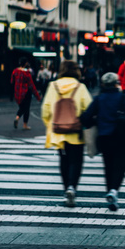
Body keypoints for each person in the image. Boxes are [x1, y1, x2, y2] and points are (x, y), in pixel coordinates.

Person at [81, 72, 125, 211]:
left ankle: (110, 193)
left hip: (104, 138)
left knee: (108, 166)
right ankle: (114, 191)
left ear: (103, 84)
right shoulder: (122, 98)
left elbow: (86, 117)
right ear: (116, 83)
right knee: (121, 166)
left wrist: (95, 121)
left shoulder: (99, 99)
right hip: (121, 137)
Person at [41, 61, 93, 208]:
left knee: (64, 161)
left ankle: (66, 189)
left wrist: (50, 126)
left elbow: (45, 110)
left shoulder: (53, 86)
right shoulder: (80, 87)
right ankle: (72, 187)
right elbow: (89, 109)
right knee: (76, 161)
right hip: (76, 132)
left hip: (58, 133)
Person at [11, 57, 41, 130]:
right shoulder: (27, 73)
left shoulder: (15, 71)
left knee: (22, 107)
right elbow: (31, 85)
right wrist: (37, 96)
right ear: (25, 64)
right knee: (26, 109)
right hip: (26, 93)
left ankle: (17, 118)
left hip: (18, 93)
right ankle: (24, 124)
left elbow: (12, 81)